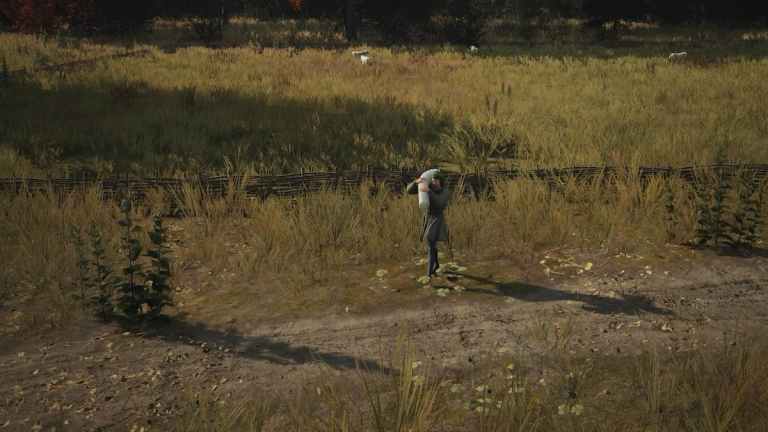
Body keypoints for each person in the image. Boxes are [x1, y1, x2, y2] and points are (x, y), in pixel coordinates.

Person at [406, 170, 450, 280]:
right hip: (428, 219)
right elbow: (409, 191)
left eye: (436, 180)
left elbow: (440, 203)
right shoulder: (430, 186)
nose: (433, 181)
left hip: (437, 219)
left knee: (430, 242)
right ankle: (436, 265)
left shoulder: (445, 192)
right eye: (433, 179)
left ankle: (428, 274)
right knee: (432, 243)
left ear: (441, 182)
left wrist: (429, 191)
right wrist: (416, 182)